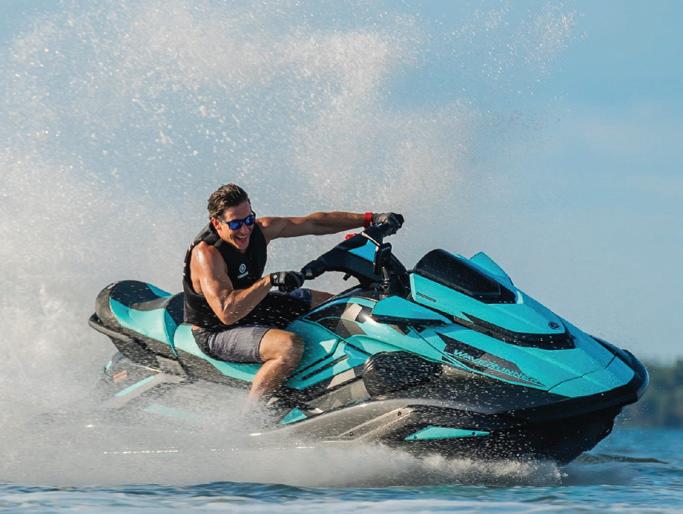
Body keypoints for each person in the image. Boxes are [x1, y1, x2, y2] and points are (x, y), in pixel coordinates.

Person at [182, 183, 402, 406]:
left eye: (249, 219)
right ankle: (251, 415)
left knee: (337, 304)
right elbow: (227, 313)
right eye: (235, 224)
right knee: (289, 346)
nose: (245, 230)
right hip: (216, 330)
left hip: (252, 307)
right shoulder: (207, 255)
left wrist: (370, 219)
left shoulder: (261, 228)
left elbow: (314, 222)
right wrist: (269, 281)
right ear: (216, 224)